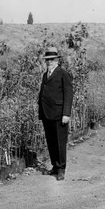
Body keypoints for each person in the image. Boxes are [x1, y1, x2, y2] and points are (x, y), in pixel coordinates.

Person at [37, 47, 73, 180]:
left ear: (57, 60)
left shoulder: (63, 73)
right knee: (51, 141)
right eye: (47, 60)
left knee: (60, 142)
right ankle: (54, 166)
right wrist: (41, 112)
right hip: (47, 114)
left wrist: (66, 114)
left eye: (51, 60)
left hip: (59, 114)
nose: (49, 62)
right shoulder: (45, 74)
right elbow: (43, 94)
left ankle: (61, 169)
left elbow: (68, 95)